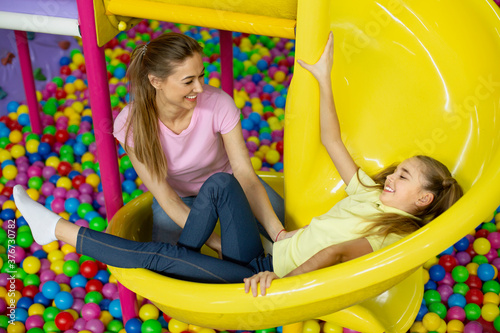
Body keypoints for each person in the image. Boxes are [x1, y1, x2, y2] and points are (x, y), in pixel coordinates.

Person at [13, 32, 463, 296]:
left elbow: (335, 254)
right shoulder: (369, 191)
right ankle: (187, 260)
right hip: (261, 253)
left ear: (422, 198)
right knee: (216, 190)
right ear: (155, 82)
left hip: (262, 272)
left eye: (402, 176)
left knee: (163, 253)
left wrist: (279, 269)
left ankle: (55, 230)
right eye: (188, 81)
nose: (391, 175)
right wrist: (323, 78)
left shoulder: (392, 234)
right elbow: (165, 194)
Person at [113, 32, 287, 252]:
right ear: (156, 81)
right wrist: (219, 245)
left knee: (277, 212)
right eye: (188, 81)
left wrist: (278, 233)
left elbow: (244, 174)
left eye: (201, 76)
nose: (200, 88)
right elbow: (167, 198)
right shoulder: (130, 124)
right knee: (171, 253)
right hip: (179, 197)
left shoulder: (219, 104)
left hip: (229, 186)